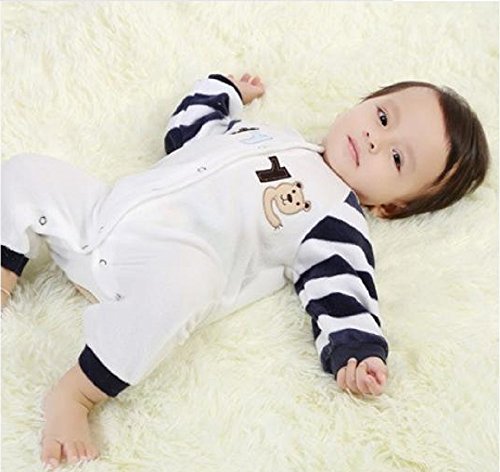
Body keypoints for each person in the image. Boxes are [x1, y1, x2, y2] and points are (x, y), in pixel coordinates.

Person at [0, 72, 490, 469]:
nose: (375, 139)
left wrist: (357, 350)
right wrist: (225, 89)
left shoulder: (335, 218)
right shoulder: (271, 134)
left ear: (392, 207)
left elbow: (344, 287)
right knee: (25, 171)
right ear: (363, 103)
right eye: (382, 117)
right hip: (100, 213)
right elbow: (187, 134)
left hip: (157, 273)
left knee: (190, 284)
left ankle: (76, 395)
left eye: (398, 157)